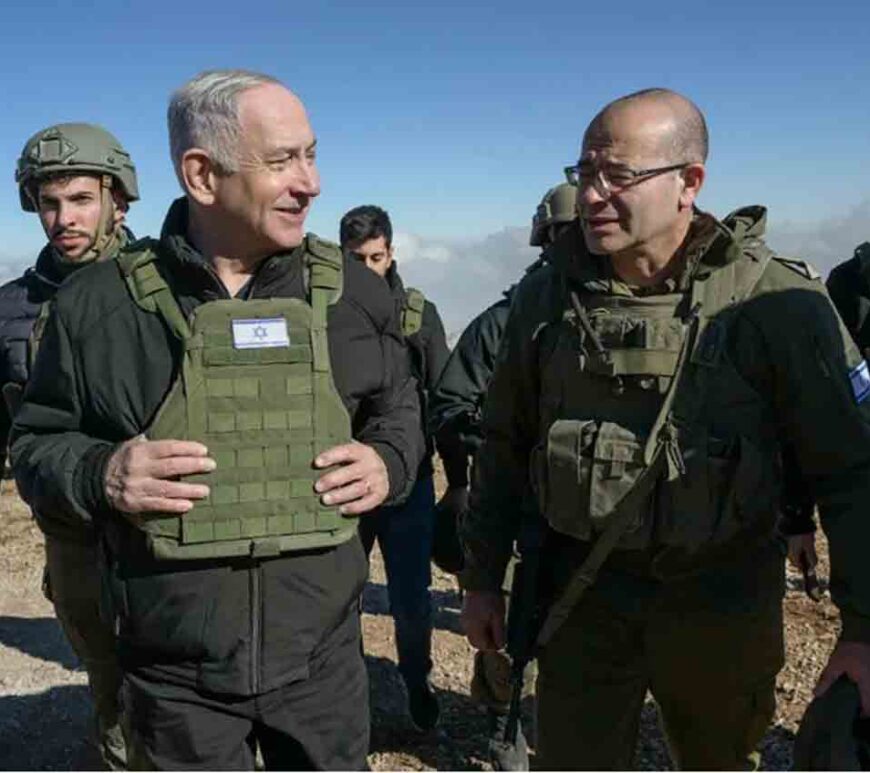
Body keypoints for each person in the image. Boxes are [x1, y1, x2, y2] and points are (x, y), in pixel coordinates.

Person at [11, 69, 422, 771]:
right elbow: (36, 443)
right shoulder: (97, 307)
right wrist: (100, 471)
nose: (311, 182)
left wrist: (389, 459)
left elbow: (401, 407)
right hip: (174, 680)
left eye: (312, 154)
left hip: (323, 668)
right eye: (283, 160)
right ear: (202, 174)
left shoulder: (354, 294)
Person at [459, 87, 870, 770]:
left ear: (690, 182)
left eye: (617, 176)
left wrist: (861, 629)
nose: (591, 195)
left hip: (721, 601)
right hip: (583, 596)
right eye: (583, 173)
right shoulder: (547, 296)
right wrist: (480, 579)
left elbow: (853, 472)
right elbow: (504, 441)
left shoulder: (775, 304)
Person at [0, 122, 139, 769]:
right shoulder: (13, 310)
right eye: (49, 203)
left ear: (118, 199)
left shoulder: (167, 287)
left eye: (81, 199)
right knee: (110, 693)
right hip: (74, 541)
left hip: (174, 539)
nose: (64, 218)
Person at [428, 182, 577, 769]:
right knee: (510, 628)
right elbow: (448, 404)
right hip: (517, 508)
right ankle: (503, 720)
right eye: (562, 235)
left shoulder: (618, 314)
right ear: (545, 240)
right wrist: (500, 438)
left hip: (593, 513)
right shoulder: (502, 321)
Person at [339, 204, 465, 731]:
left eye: (376, 257)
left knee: (411, 601)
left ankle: (417, 682)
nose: (368, 269)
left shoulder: (416, 314)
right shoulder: (328, 315)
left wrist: (457, 483)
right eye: (356, 259)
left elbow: (445, 400)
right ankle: (343, 702)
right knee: (338, 601)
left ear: (391, 253)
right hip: (343, 484)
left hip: (408, 483)